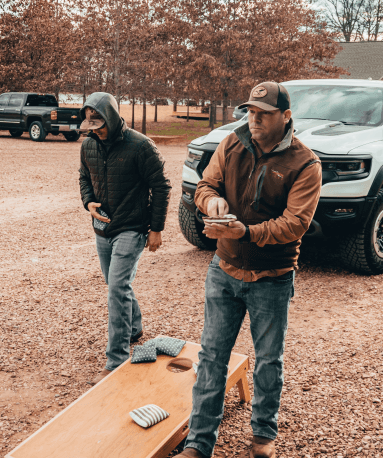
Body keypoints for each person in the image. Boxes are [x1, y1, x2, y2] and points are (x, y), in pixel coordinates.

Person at [177, 82, 322, 458]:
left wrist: (247, 231)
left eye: (263, 113)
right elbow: (204, 184)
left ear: (286, 117)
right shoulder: (231, 143)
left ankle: (262, 437)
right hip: (223, 269)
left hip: (271, 278)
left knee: (268, 361)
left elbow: (295, 224)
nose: (253, 119)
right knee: (211, 356)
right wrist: (211, 203)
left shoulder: (305, 163)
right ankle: (198, 443)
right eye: (250, 111)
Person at [78, 92, 171, 381]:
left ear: (113, 117)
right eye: (91, 126)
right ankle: (133, 328)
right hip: (102, 228)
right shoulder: (88, 145)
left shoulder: (142, 146)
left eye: (101, 125)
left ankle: (116, 359)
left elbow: (162, 187)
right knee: (116, 283)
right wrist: (88, 202)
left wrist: (156, 229)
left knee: (116, 287)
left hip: (132, 227)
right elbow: (84, 177)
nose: (97, 131)